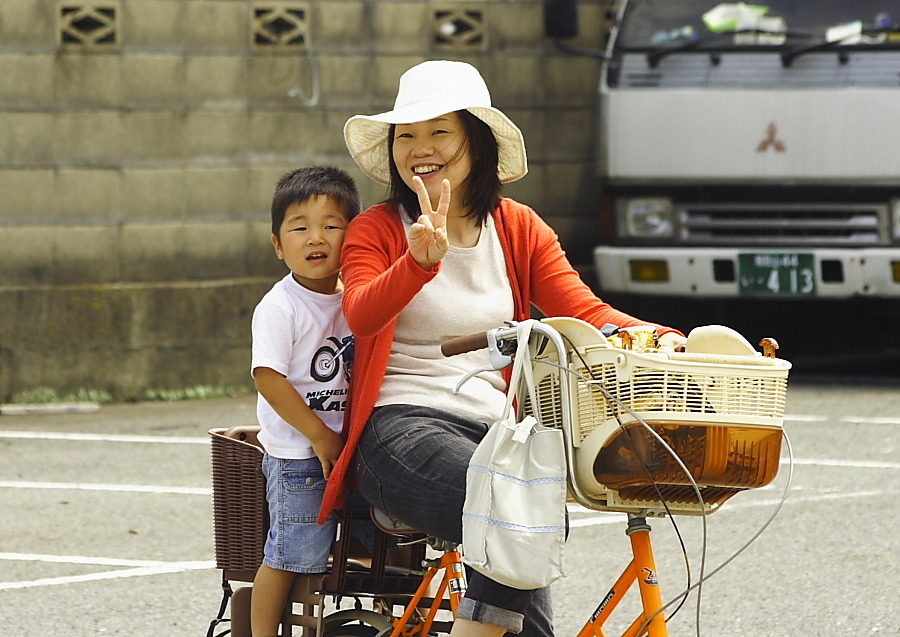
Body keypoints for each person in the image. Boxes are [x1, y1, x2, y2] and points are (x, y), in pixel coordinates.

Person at [320, 60, 687, 637]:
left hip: (497, 432)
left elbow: (585, 313)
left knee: (524, 514)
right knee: (512, 508)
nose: (421, 147)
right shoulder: (377, 228)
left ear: (477, 141)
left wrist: (668, 340)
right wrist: (416, 263)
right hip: (397, 430)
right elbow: (361, 313)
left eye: (440, 131)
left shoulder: (518, 227)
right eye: (407, 135)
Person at [249, 166, 362, 637]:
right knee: (291, 553)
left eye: (331, 226)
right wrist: (317, 434)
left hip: (345, 449)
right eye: (300, 227)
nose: (316, 237)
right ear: (278, 244)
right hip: (299, 456)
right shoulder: (280, 306)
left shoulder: (355, 297)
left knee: (340, 558)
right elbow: (268, 378)